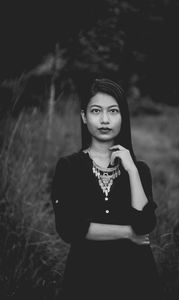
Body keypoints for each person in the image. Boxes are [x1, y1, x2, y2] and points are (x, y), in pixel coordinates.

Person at [51, 78, 162, 300]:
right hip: (85, 278)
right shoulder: (69, 167)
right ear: (84, 116)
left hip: (136, 279)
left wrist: (131, 170)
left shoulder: (139, 170)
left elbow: (144, 224)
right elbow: (70, 228)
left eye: (113, 111)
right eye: (95, 111)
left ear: (123, 117)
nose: (104, 120)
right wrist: (127, 233)